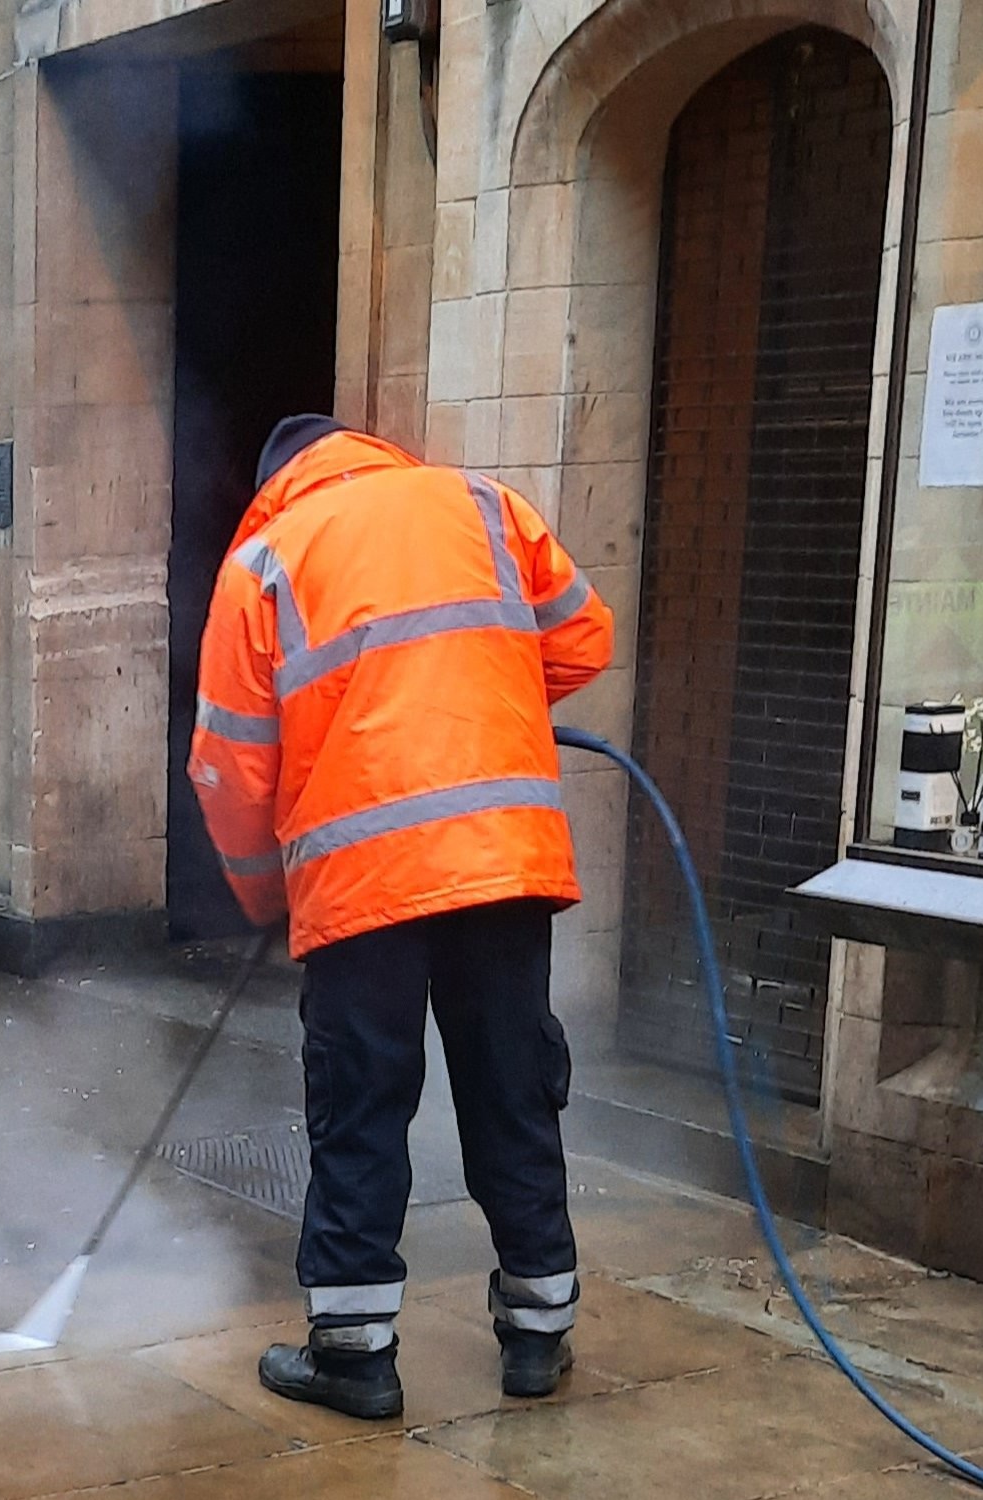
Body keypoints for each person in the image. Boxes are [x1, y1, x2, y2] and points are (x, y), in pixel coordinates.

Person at [187, 415, 614, 1420]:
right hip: (504, 861)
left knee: (362, 1101)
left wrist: (267, 896)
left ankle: (354, 1356)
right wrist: (480, 689)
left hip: (360, 882)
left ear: (276, 482)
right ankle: (538, 1332)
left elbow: (230, 767)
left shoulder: (264, 562)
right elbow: (584, 638)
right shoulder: (483, 506)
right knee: (512, 1084)